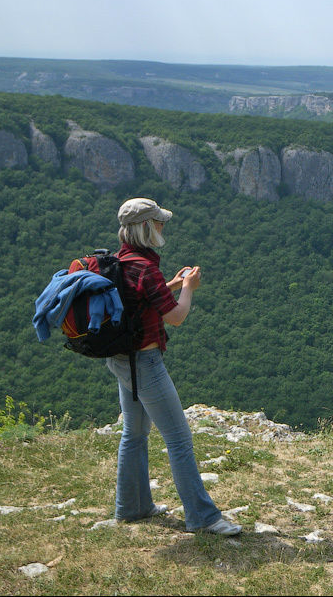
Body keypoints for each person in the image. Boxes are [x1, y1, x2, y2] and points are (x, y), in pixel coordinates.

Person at [105, 197, 241, 535]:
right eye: (160, 222)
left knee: (133, 434)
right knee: (179, 439)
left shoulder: (122, 260)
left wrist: (173, 285)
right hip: (146, 363)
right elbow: (176, 317)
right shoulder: (146, 267)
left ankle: (132, 508)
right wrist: (189, 290)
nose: (164, 227)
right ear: (148, 227)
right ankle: (203, 517)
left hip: (121, 360)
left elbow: (141, 301)